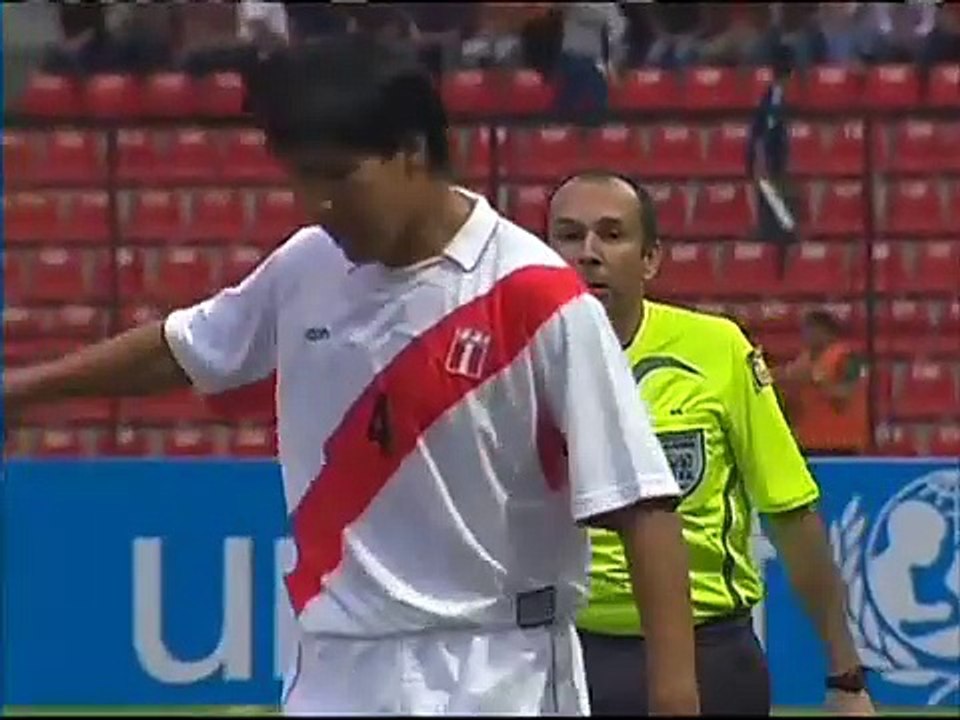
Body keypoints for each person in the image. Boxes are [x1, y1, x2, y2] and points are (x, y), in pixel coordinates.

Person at [3, 38, 700, 716]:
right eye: (303, 177)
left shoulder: (535, 296)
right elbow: (185, 347)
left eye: (338, 175)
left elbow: (641, 508)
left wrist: (674, 698)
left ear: (412, 154)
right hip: (335, 666)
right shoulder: (306, 265)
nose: (317, 202)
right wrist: (20, 390)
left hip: (497, 670)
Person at [546, 171, 876, 717]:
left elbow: (791, 516)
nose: (589, 253)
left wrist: (846, 676)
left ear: (651, 258)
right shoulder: (513, 361)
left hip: (711, 654)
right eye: (569, 235)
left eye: (611, 234)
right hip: (565, 653)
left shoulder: (717, 350)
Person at [775, 309, 869, 456]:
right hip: (809, 443)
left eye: (811, 329)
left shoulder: (847, 358)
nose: (806, 335)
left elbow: (847, 395)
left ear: (826, 331)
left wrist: (817, 381)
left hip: (841, 444)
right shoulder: (803, 361)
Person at [747, 42, 800, 278]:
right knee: (772, 196)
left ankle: (783, 232)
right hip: (770, 160)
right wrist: (761, 160)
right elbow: (764, 132)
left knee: (776, 197)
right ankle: (779, 232)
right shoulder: (773, 99)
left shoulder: (775, 96)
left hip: (774, 159)